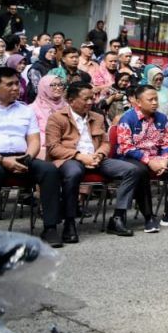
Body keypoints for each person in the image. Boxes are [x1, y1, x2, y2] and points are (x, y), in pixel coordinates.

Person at [45, 82, 146, 239]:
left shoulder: (97, 117)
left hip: (96, 158)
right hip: (71, 158)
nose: (91, 102)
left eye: (92, 98)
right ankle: (69, 222)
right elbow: (53, 148)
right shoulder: (57, 118)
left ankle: (118, 217)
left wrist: (99, 155)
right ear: (71, 100)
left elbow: (106, 143)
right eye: (86, 99)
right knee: (73, 172)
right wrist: (79, 156)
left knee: (132, 170)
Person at [0, 68, 62, 246]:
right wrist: (1, 160)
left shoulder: (25, 110)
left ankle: (50, 228)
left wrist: (28, 157)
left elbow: (34, 139)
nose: (15, 88)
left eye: (17, 83)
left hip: (21, 157)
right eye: (9, 84)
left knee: (49, 169)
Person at [116, 85, 168, 230]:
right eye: (150, 100)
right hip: (132, 157)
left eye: (156, 99)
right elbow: (126, 147)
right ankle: (148, 216)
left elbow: (166, 142)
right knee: (140, 171)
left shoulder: (162, 118)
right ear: (138, 102)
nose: (154, 103)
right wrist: (149, 161)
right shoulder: (127, 118)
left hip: (157, 157)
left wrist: (165, 159)